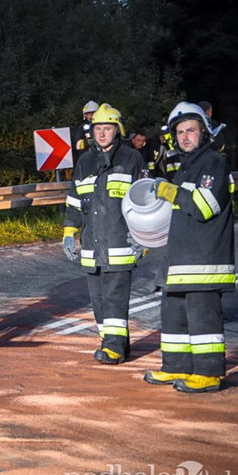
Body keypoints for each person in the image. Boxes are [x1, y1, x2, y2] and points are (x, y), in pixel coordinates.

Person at [144, 102, 234, 393]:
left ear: (204, 132)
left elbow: (206, 206)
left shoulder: (213, 163)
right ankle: (175, 367)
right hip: (180, 259)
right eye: (180, 132)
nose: (185, 137)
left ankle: (209, 374)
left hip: (204, 260)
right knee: (173, 316)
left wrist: (170, 190)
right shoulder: (186, 165)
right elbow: (175, 212)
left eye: (191, 131)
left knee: (203, 319)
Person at [62, 103, 147, 364]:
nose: (101, 134)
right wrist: (69, 231)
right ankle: (117, 343)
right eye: (98, 128)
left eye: (107, 128)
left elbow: (144, 199)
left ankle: (112, 347)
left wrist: (142, 237)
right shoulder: (85, 162)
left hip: (120, 243)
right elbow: (75, 201)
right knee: (98, 301)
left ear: (117, 130)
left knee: (114, 298)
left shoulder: (132, 159)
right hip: (91, 246)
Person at [71, 100, 99, 164]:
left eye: (93, 112)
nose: (91, 115)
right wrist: (88, 143)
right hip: (87, 156)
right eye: (89, 113)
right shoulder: (82, 128)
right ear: (85, 115)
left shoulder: (103, 125)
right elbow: (77, 145)